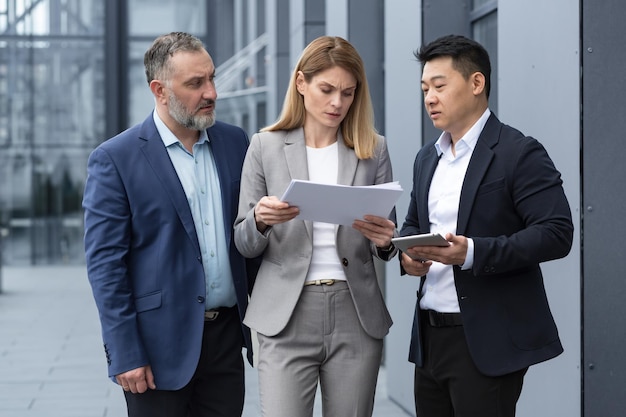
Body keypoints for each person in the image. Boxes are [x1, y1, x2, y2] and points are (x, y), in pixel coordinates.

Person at [83, 32, 257, 417]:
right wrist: (124, 352)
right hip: (155, 350)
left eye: (211, 78)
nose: (211, 92)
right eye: (195, 83)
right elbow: (105, 267)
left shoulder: (234, 142)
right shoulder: (115, 159)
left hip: (227, 340)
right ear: (159, 90)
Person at [399, 34, 574, 417]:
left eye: (440, 86)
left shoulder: (518, 151)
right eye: (425, 88)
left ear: (476, 83)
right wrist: (408, 260)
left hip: (486, 340)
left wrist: (473, 252)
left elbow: (557, 232)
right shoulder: (426, 158)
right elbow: (414, 224)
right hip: (429, 339)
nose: (429, 97)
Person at [234, 36, 396, 417]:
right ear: (301, 83)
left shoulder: (373, 150)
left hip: (355, 313)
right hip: (285, 316)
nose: (337, 102)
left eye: (348, 93)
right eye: (327, 89)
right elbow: (243, 242)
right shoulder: (265, 146)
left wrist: (387, 241)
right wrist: (259, 220)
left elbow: (385, 242)